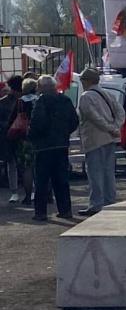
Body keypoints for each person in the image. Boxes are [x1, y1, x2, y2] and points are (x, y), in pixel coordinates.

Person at [28, 74, 79, 221]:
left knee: (42, 181)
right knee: (61, 179)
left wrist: (32, 136)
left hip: (44, 147)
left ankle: (41, 212)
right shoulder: (65, 100)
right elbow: (74, 121)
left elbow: (38, 123)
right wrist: (64, 133)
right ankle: (65, 210)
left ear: (42, 87)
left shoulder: (41, 101)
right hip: (61, 145)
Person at [76, 68, 124, 213]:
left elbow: (93, 116)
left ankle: (96, 204)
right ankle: (110, 201)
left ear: (87, 81)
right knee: (108, 171)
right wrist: (115, 127)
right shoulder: (108, 94)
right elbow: (121, 112)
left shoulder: (85, 97)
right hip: (110, 138)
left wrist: (109, 127)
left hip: (94, 138)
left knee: (95, 173)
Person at [8, 78, 36, 207]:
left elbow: (13, 119)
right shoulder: (40, 100)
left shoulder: (21, 102)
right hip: (40, 138)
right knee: (41, 166)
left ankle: (28, 195)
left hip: (24, 138)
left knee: (27, 168)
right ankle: (45, 194)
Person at [0, 75, 23, 204]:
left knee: (14, 164)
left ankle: (16, 192)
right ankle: (15, 191)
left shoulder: (4, 102)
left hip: (12, 135)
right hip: (11, 136)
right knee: (13, 163)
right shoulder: (3, 102)